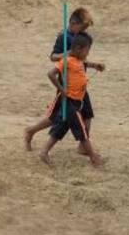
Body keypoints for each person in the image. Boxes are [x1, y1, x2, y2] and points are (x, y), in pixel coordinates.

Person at [23, 7, 104, 150]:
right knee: (57, 117)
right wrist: (67, 53)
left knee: (87, 114)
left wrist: (93, 65)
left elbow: (79, 60)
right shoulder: (64, 37)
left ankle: (83, 147)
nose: (82, 31)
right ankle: (31, 130)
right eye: (81, 27)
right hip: (67, 83)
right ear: (72, 23)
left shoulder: (79, 36)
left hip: (79, 84)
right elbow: (53, 57)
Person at [40, 32, 102, 168]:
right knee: (82, 131)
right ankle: (93, 158)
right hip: (70, 102)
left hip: (77, 101)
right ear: (79, 49)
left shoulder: (79, 61)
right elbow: (51, 74)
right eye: (87, 50)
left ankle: (44, 152)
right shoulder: (67, 60)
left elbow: (85, 64)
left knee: (60, 128)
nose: (88, 53)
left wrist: (96, 66)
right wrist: (62, 89)